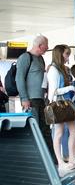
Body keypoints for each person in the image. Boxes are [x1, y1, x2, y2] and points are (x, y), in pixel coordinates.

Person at [16, 35, 57, 164]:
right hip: (31, 100)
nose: (48, 47)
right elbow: (19, 78)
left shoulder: (41, 59)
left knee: (46, 130)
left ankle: (51, 160)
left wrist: (47, 97)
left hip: (41, 100)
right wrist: (24, 98)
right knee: (35, 130)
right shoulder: (25, 58)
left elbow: (43, 80)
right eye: (46, 45)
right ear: (40, 46)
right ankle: (35, 160)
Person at [47, 45, 75, 171]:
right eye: (66, 54)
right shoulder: (53, 70)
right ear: (60, 54)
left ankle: (71, 159)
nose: (67, 57)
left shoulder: (62, 69)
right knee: (59, 133)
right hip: (58, 105)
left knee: (73, 131)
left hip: (65, 104)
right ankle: (60, 161)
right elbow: (54, 91)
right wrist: (70, 88)